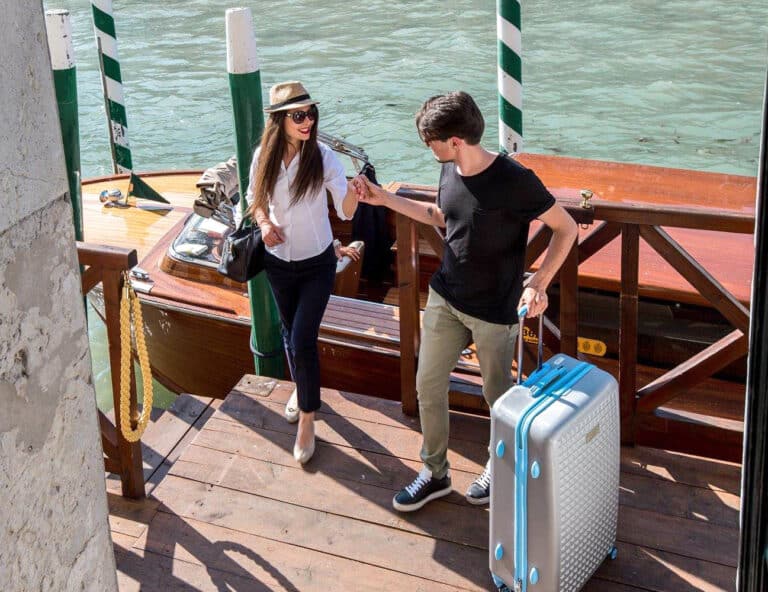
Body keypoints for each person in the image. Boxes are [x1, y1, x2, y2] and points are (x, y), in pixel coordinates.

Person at [355, 91, 578, 511]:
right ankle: (434, 472)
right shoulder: (450, 168)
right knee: (428, 384)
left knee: (500, 401)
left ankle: (500, 466)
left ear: (455, 139)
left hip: (495, 312)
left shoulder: (516, 181)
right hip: (446, 296)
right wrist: (384, 198)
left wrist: (540, 282)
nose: (428, 148)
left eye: (431, 141)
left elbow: (566, 229)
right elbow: (441, 217)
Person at [245, 81, 363, 465]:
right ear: (280, 121)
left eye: (311, 113)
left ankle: (308, 420)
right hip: (278, 263)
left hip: (317, 264)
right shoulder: (264, 154)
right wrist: (264, 225)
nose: (308, 121)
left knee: (302, 338)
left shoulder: (325, 157)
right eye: (299, 115)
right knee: (288, 332)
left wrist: (356, 193)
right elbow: (254, 199)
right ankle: (302, 389)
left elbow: (344, 211)